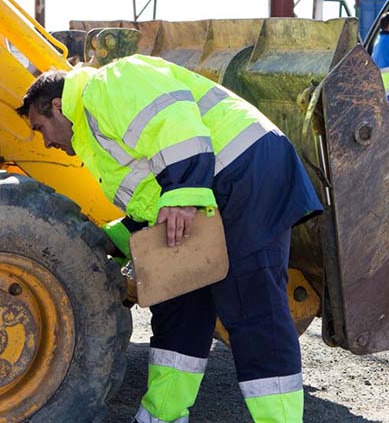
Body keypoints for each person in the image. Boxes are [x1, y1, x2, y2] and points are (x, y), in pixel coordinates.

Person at [18, 55, 323, 423]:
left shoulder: (106, 85)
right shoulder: (93, 136)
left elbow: (172, 120)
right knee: (178, 305)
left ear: (55, 105)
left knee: (251, 302)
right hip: (208, 183)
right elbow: (149, 195)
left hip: (244, 169)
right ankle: (162, 415)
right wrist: (116, 238)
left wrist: (184, 192)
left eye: (39, 128)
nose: (45, 142)